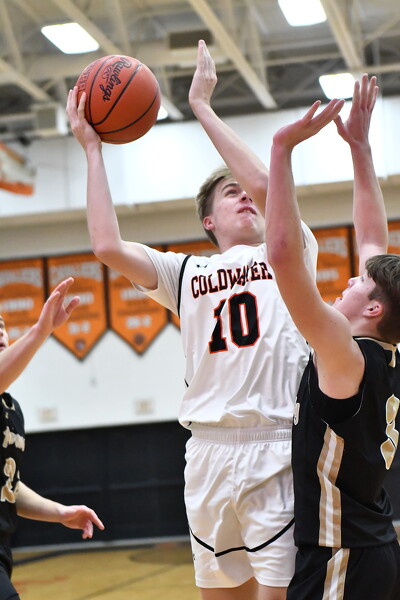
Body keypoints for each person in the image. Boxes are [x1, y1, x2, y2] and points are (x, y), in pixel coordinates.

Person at [67, 46, 318, 599]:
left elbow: (269, 186)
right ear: (209, 219)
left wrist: (202, 107)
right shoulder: (184, 273)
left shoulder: (288, 252)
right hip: (205, 452)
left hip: (276, 443)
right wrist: (92, 150)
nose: (246, 196)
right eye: (231, 193)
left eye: (249, 193)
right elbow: (106, 245)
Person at [266, 73, 400, 600]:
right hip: (369, 547)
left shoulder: (345, 356)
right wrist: (360, 149)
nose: (348, 280)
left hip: (342, 556)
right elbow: (372, 237)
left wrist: (282, 151)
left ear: (372, 308)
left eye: (358, 283)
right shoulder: (381, 350)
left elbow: (283, 257)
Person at [0, 277, 105, 599]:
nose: (0, 332)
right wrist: (40, 330)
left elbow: (10, 486)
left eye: (2, 326)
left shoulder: (12, 408)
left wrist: (59, 512)